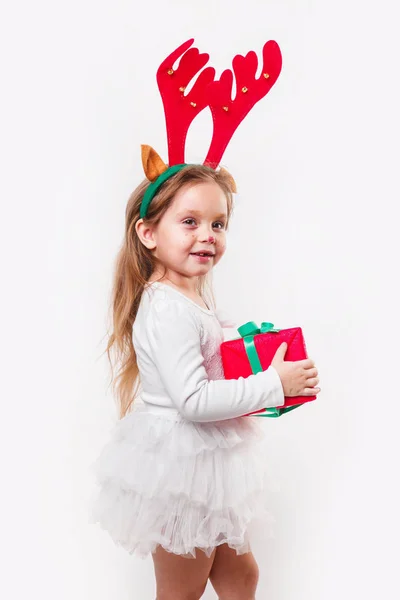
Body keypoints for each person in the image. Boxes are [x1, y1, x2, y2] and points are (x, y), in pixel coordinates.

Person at [89, 38, 320, 600]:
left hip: (210, 463)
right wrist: (271, 383)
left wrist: (244, 344)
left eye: (217, 224)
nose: (206, 236)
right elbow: (192, 401)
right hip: (178, 471)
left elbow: (209, 356)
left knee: (242, 576)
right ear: (149, 234)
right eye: (189, 222)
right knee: (182, 590)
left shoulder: (189, 297)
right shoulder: (164, 306)